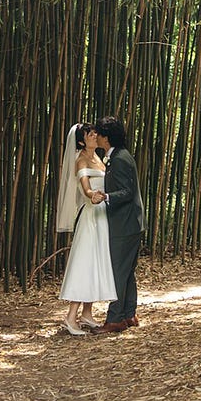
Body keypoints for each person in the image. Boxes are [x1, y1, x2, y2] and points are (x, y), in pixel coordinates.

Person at [55, 122, 116, 336]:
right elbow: (86, 187)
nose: (95, 136)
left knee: (96, 263)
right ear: (81, 142)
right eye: (90, 134)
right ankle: (71, 317)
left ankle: (87, 314)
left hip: (102, 216)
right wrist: (93, 196)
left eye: (95, 133)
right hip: (91, 216)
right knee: (85, 263)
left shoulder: (99, 158)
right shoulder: (81, 159)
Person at [90, 115, 143, 333]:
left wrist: (106, 197)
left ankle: (114, 319)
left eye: (98, 134)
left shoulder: (119, 159)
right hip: (131, 223)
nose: (96, 138)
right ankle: (129, 314)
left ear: (106, 137)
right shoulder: (120, 155)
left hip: (124, 224)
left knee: (118, 272)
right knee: (127, 272)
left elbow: (127, 192)